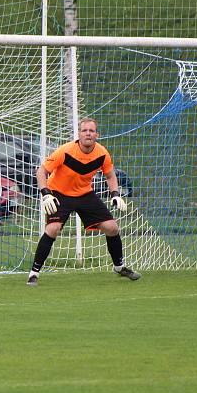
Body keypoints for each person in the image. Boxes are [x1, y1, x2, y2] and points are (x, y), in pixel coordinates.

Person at [27, 117, 141, 286]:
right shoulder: (65, 151)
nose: (88, 133)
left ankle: (119, 267)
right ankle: (33, 273)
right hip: (59, 193)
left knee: (112, 227)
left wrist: (115, 194)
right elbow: (41, 171)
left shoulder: (102, 153)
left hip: (84, 194)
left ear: (97, 134)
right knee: (53, 229)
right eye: (84, 130)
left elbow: (110, 175)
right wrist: (46, 193)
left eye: (91, 131)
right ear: (79, 134)